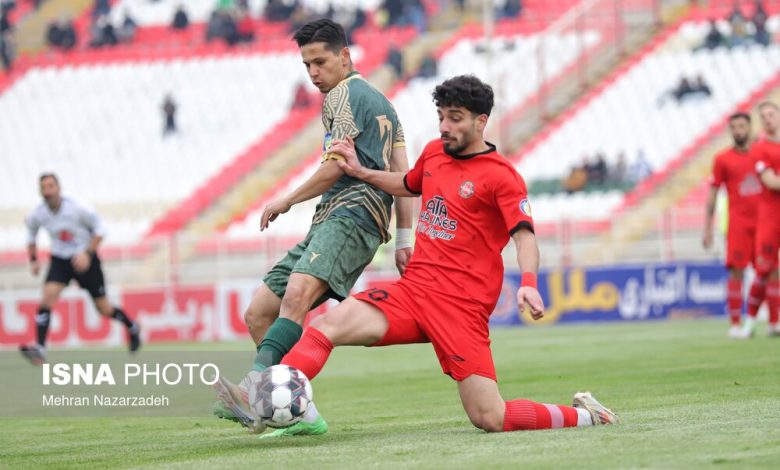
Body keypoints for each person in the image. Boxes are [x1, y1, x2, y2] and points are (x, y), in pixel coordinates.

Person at [216, 75, 619, 437]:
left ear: (481, 121)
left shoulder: (501, 176)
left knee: (490, 417)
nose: (445, 126)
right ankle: (264, 399)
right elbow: (407, 184)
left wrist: (528, 283)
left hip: (460, 307)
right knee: (328, 324)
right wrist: (359, 171)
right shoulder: (434, 154)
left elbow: (525, 236)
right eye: (441, 116)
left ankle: (586, 416)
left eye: (455, 118)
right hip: (414, 291)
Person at [213, 18, 413, 435]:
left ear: (345, 56)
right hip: (332, 218)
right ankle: (301, 412)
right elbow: (404, 176)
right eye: (307, 65)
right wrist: (404, 239)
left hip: (354, 215)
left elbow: (337, 166)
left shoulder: (342, 95)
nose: (313, 73)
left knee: (297, 294)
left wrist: (286, 199)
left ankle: (253, 389)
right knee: (259, 313)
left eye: (320, 62)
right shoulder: (386, 105)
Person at [19, 174, 141, 365]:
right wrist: (33, 260)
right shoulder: (37, 214)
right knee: (47, 298)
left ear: (59, 188)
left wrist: (87, 253)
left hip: (86, 258)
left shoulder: (78, 208)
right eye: (44, 188)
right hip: (60, 260)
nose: (47, 191)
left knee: (104, 309)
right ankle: (40, 348)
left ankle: (132, 326)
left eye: (51, 186)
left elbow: (101, 230)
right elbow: (31, 235)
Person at [702, 112, 764, 338]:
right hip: (738, 224)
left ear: (750, 127)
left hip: (765, 223)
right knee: (736, 271)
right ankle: (735, 324)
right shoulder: (722, 159)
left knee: (770, 271)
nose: (738, 131)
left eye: (742, 126)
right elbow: (713, 193)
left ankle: (774, 322)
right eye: (734, 127)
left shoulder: (762, 154)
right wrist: (708, 227)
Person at [743, 102, 780, 337]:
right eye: (763, 116)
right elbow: (772, 182)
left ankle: (775, 323)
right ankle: (749, 323)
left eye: (771, 114)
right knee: (765, 268)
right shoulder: (759, 149)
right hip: (771, 217)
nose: (768, 119)